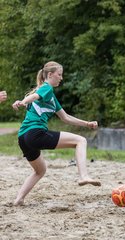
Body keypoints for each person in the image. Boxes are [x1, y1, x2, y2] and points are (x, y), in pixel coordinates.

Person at [12, 61, 101, 206]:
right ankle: (83, 176)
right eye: (59, 75)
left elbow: (66, 117)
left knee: (40, 171)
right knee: (80, 141)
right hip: (36, 133)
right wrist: (22, 102)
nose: (61, 78)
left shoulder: (51, 97)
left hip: (23, 138)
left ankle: (19, 199)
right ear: (50, 74)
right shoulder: (46, 88)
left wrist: (86, 123)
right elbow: (34, 97)